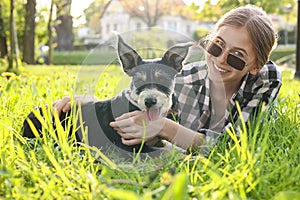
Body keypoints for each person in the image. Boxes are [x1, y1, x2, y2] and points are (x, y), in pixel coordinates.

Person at [53, 5, 282, 153]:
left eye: (237, 57)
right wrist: (91, 103)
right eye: (217, 45)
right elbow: (141, 94)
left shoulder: (265, 79)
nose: (220, 60)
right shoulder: (184, 78)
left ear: (255, 66)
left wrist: (165, 127)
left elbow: (232, 148)